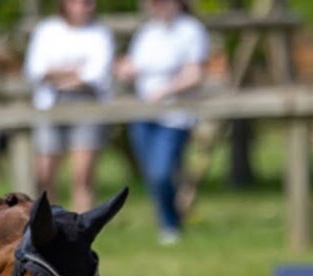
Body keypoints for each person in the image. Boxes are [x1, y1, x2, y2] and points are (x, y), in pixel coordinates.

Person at [115, 0, 208, 245]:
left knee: (162, 171)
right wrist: (125, 69)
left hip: (175, 115)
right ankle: (171, 215)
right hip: (144, 113)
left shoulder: (190, 30)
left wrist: (166, 90)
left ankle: (170, 225)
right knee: (153, 174)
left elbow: (195, 73)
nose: (157, 6)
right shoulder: (147, 33)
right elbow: (135, 66)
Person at [23, 0, 114, 212]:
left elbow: (97, 73)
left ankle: (81, 230)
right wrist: (74, 73)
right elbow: (35, 69)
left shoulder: (100, 33)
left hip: (87, 103)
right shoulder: (47, 30)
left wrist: (57, 73)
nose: (83, 7)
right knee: (44, 174)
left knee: (82, 175)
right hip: (51, 103)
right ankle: (48, 227)